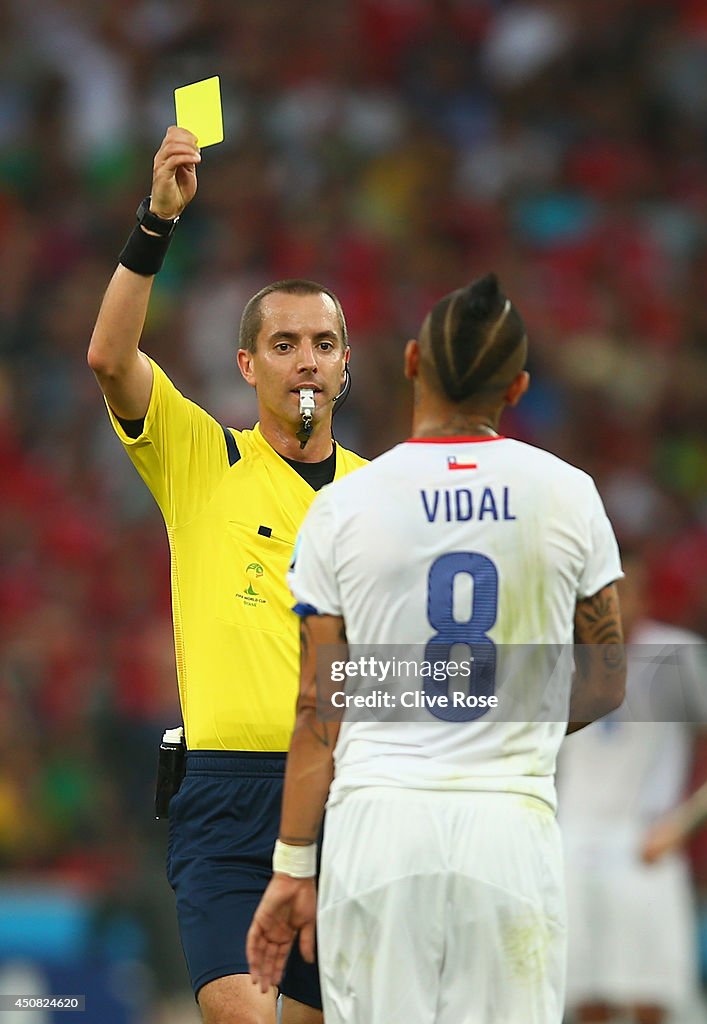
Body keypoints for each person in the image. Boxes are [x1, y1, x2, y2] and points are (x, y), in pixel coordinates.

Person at [246, 272, 626, 1024]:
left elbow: (320, 706)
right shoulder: (569, 493)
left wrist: (293, 865)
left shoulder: (344, 506)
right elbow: (607, 678)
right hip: (508, 828)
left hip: (378, 828)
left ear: (414, 360)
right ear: (515, 387)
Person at [87, 126, 367, 1024]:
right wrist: (155, 224)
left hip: (344, 799)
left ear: (345, 365)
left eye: (323, 343)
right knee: (235, 1011)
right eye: (285, 344)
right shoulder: (203, 459)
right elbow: (108, 359)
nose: (307, 360)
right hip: (224, 794)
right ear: (249, 365)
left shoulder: (382, 495)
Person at [557, 552, 707, 1024]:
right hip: (570, 837)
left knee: (648, 997)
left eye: (622, 590)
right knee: (583, 996)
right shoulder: (560, 656)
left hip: (644, 836)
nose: (611, 603)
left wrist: (686, 821)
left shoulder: (679, 654)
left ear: (645, 595)